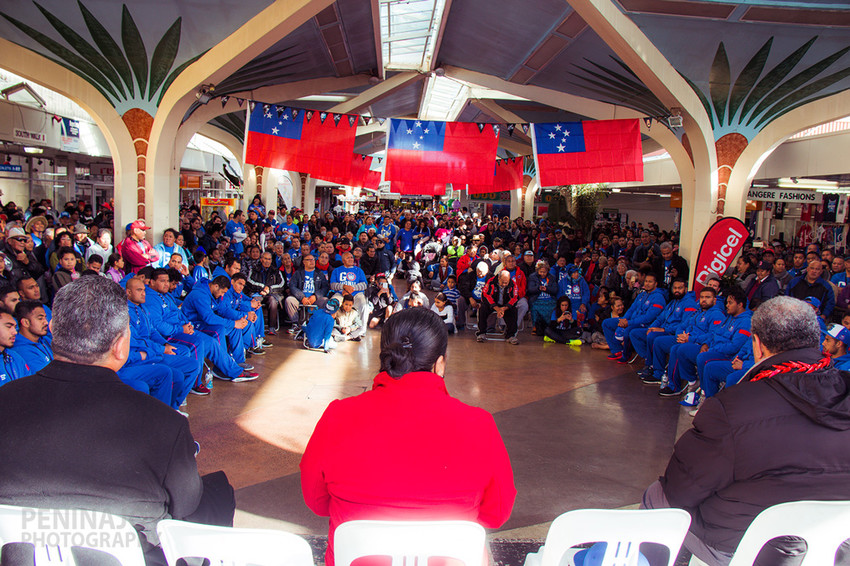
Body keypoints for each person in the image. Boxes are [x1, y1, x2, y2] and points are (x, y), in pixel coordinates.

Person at [0, 275, 235, 566]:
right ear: (121, 345)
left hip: (19, 553)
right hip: (133, 554)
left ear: (54, 332)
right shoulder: (165, 424)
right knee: (219, 492)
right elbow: (186, 507)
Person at [643, 296, 850, 566]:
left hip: (746, 546)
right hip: (830, 544)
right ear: (815, 340)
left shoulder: (732, 407)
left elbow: (680, 490)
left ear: (758, 345)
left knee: (657, 495)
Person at [300, 307, 516, 566]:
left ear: (385, 358)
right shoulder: (479, 424)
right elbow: (496, 513)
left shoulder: (338, 416)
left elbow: (317, 502)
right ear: (440, 364)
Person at [477, 270, 520, 345]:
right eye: (502, 282)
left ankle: (511, 335)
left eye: (506, 282)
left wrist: (504, 308)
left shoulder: (512, 284)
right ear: (499, 278)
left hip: (505, 304)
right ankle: (482, 333)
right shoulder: (491, 281)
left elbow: (515, 297)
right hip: (493, 303)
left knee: (514, 310)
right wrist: (496, 308)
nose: (504, 284)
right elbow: (485, 295)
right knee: (482, 308)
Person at [10, 300, 52, 374]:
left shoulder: (45, 339)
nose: (46, 322)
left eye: (45, 318)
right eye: (40, 318)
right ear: (26, 322)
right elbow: (48, 377)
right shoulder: (21, 350)